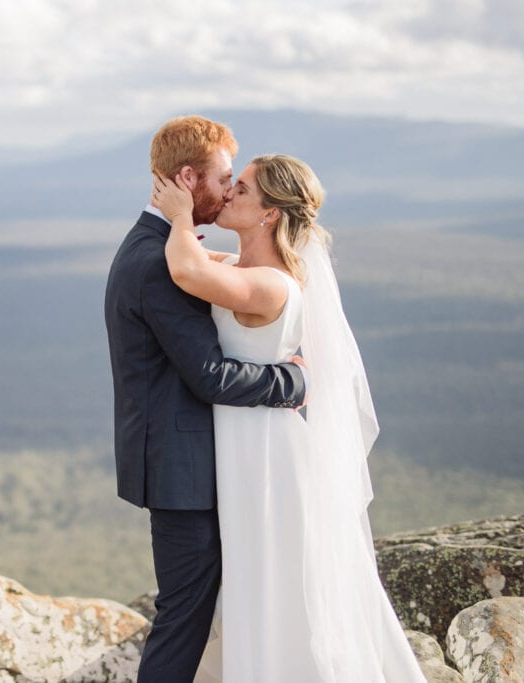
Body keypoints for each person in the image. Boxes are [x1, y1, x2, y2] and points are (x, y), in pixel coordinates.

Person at [151, 154, 426, 681]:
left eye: (244, 190)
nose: (229, 193)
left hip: (264, 454)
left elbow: (186, 269)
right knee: (258, 577)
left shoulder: (273, 285)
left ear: (270, 214)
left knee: (271, 580)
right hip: (246, 444)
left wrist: (180, 214)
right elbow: (205, 268)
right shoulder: (245, 268)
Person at [104, 116, 307, 683]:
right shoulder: (160, 264)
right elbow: (212, 378)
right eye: (223, 179)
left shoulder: (164, 248)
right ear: (188, 178)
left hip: (207, 465)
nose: (227, 191)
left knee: (209, 609)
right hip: (184, 474)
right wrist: (295, 383)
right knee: (184, 618)